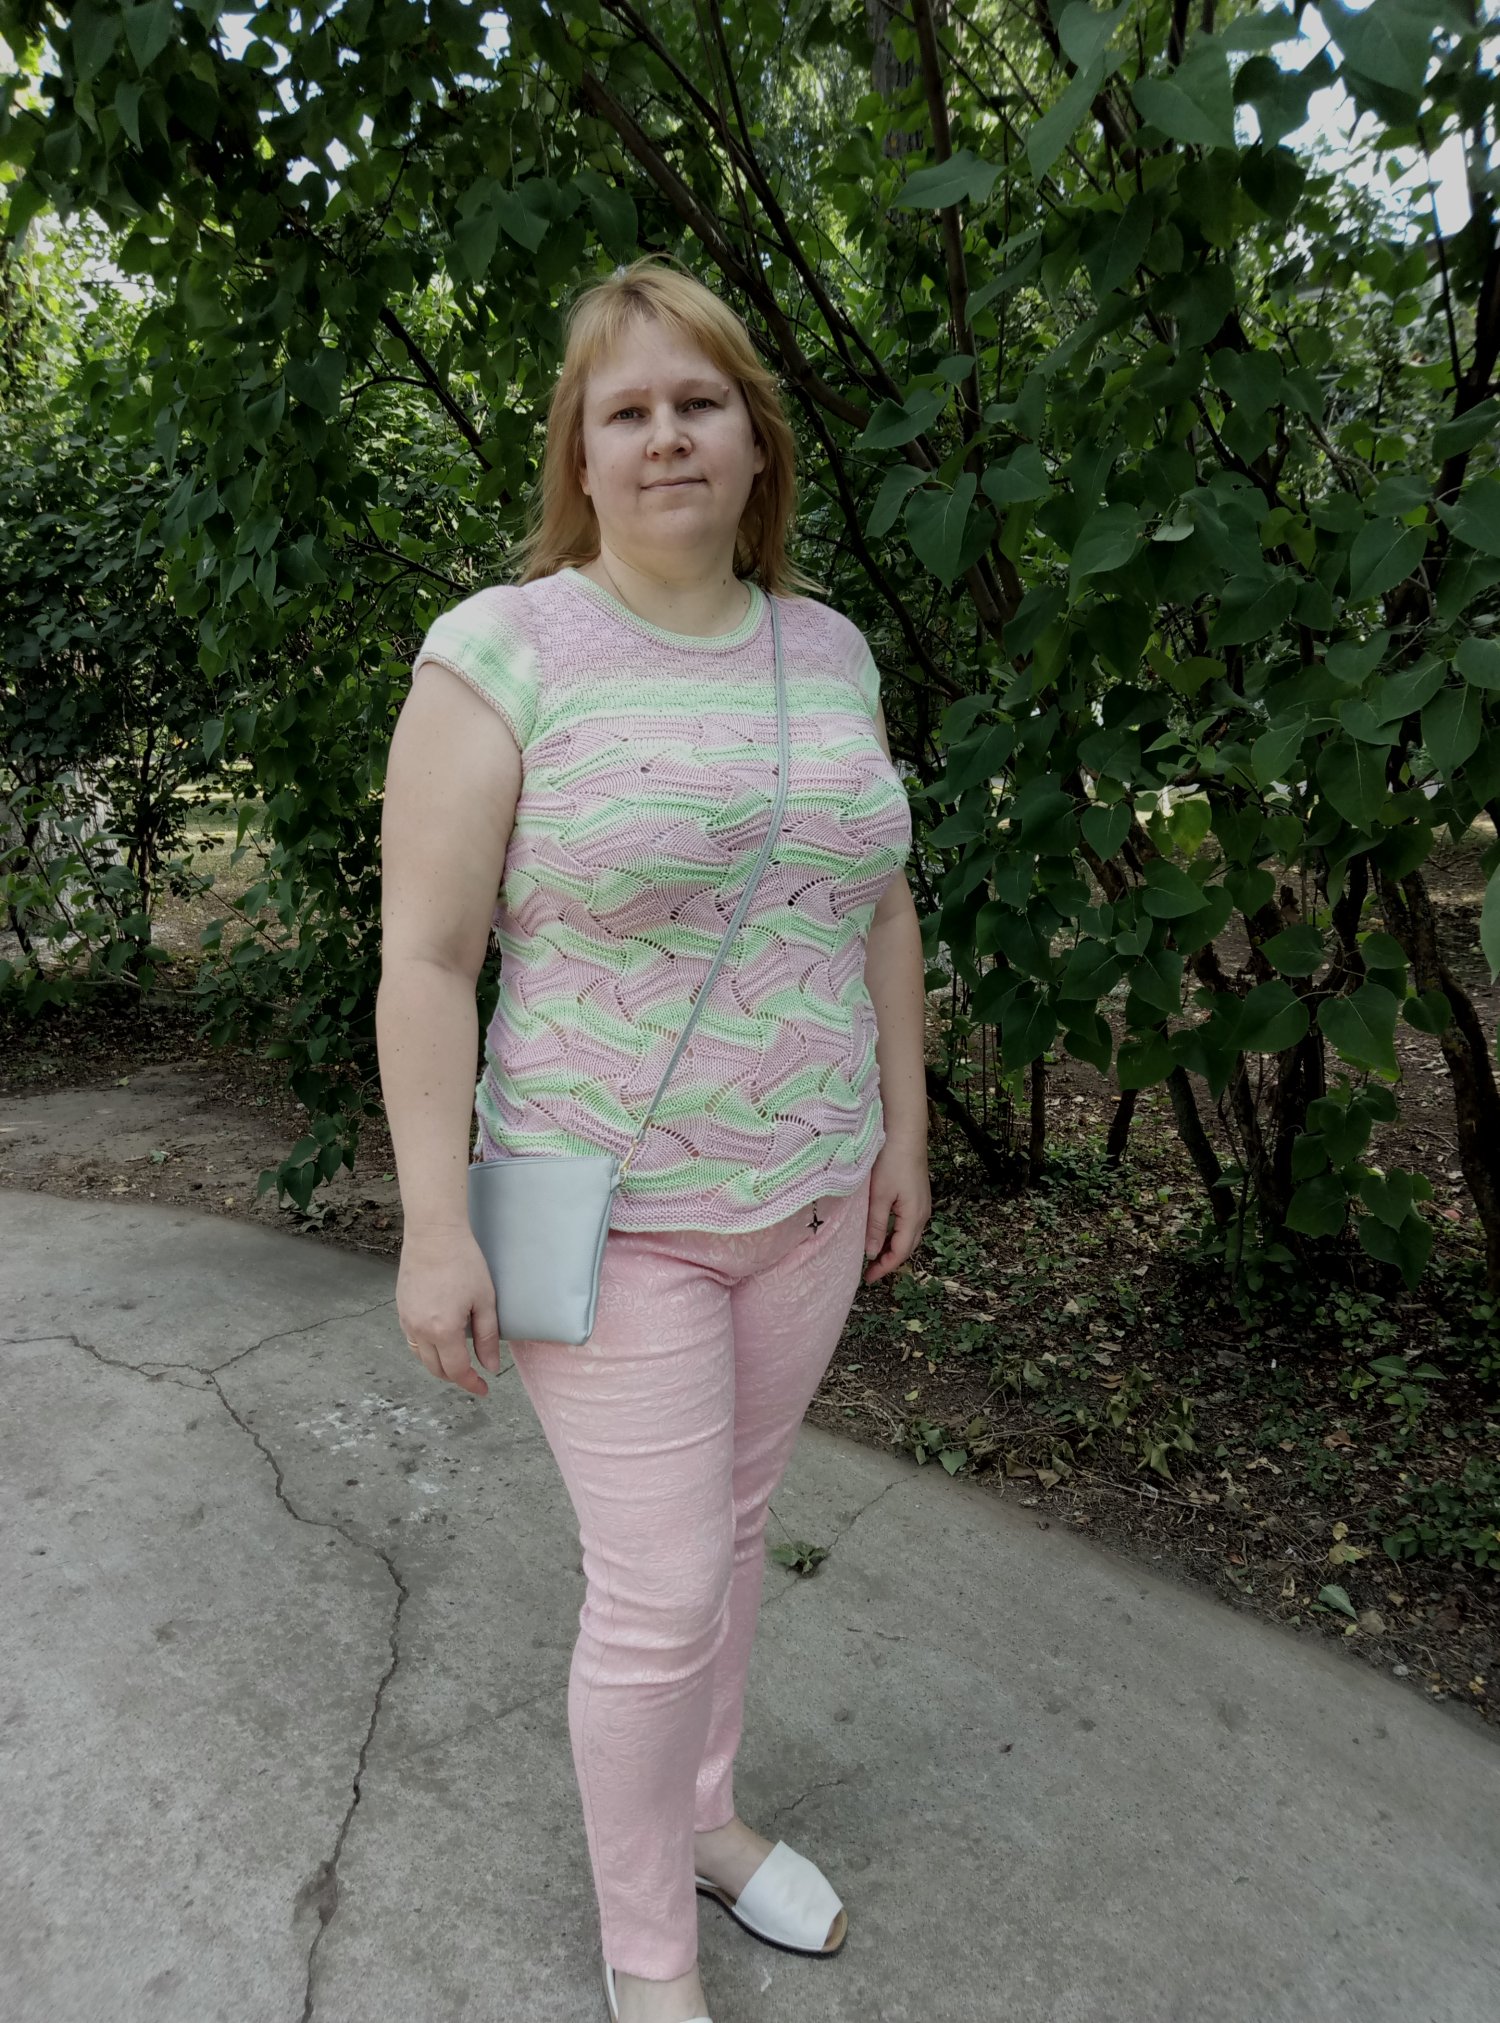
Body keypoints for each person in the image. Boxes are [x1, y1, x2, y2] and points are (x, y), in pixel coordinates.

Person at [376, 252, 930, 2023]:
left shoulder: (826, 650)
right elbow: (428, 958)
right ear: (582, 454)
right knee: (660, 1585)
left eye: (700, 402)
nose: (667, 435)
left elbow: (877, 899)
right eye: (627, 411)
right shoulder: (505, 650)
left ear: (756, 442)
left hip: (813, 1192)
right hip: (609, 1219)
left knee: (738, 1532)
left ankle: (703, 1815)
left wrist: (905, 1130)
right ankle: (647, 1955)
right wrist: (433, 1227)